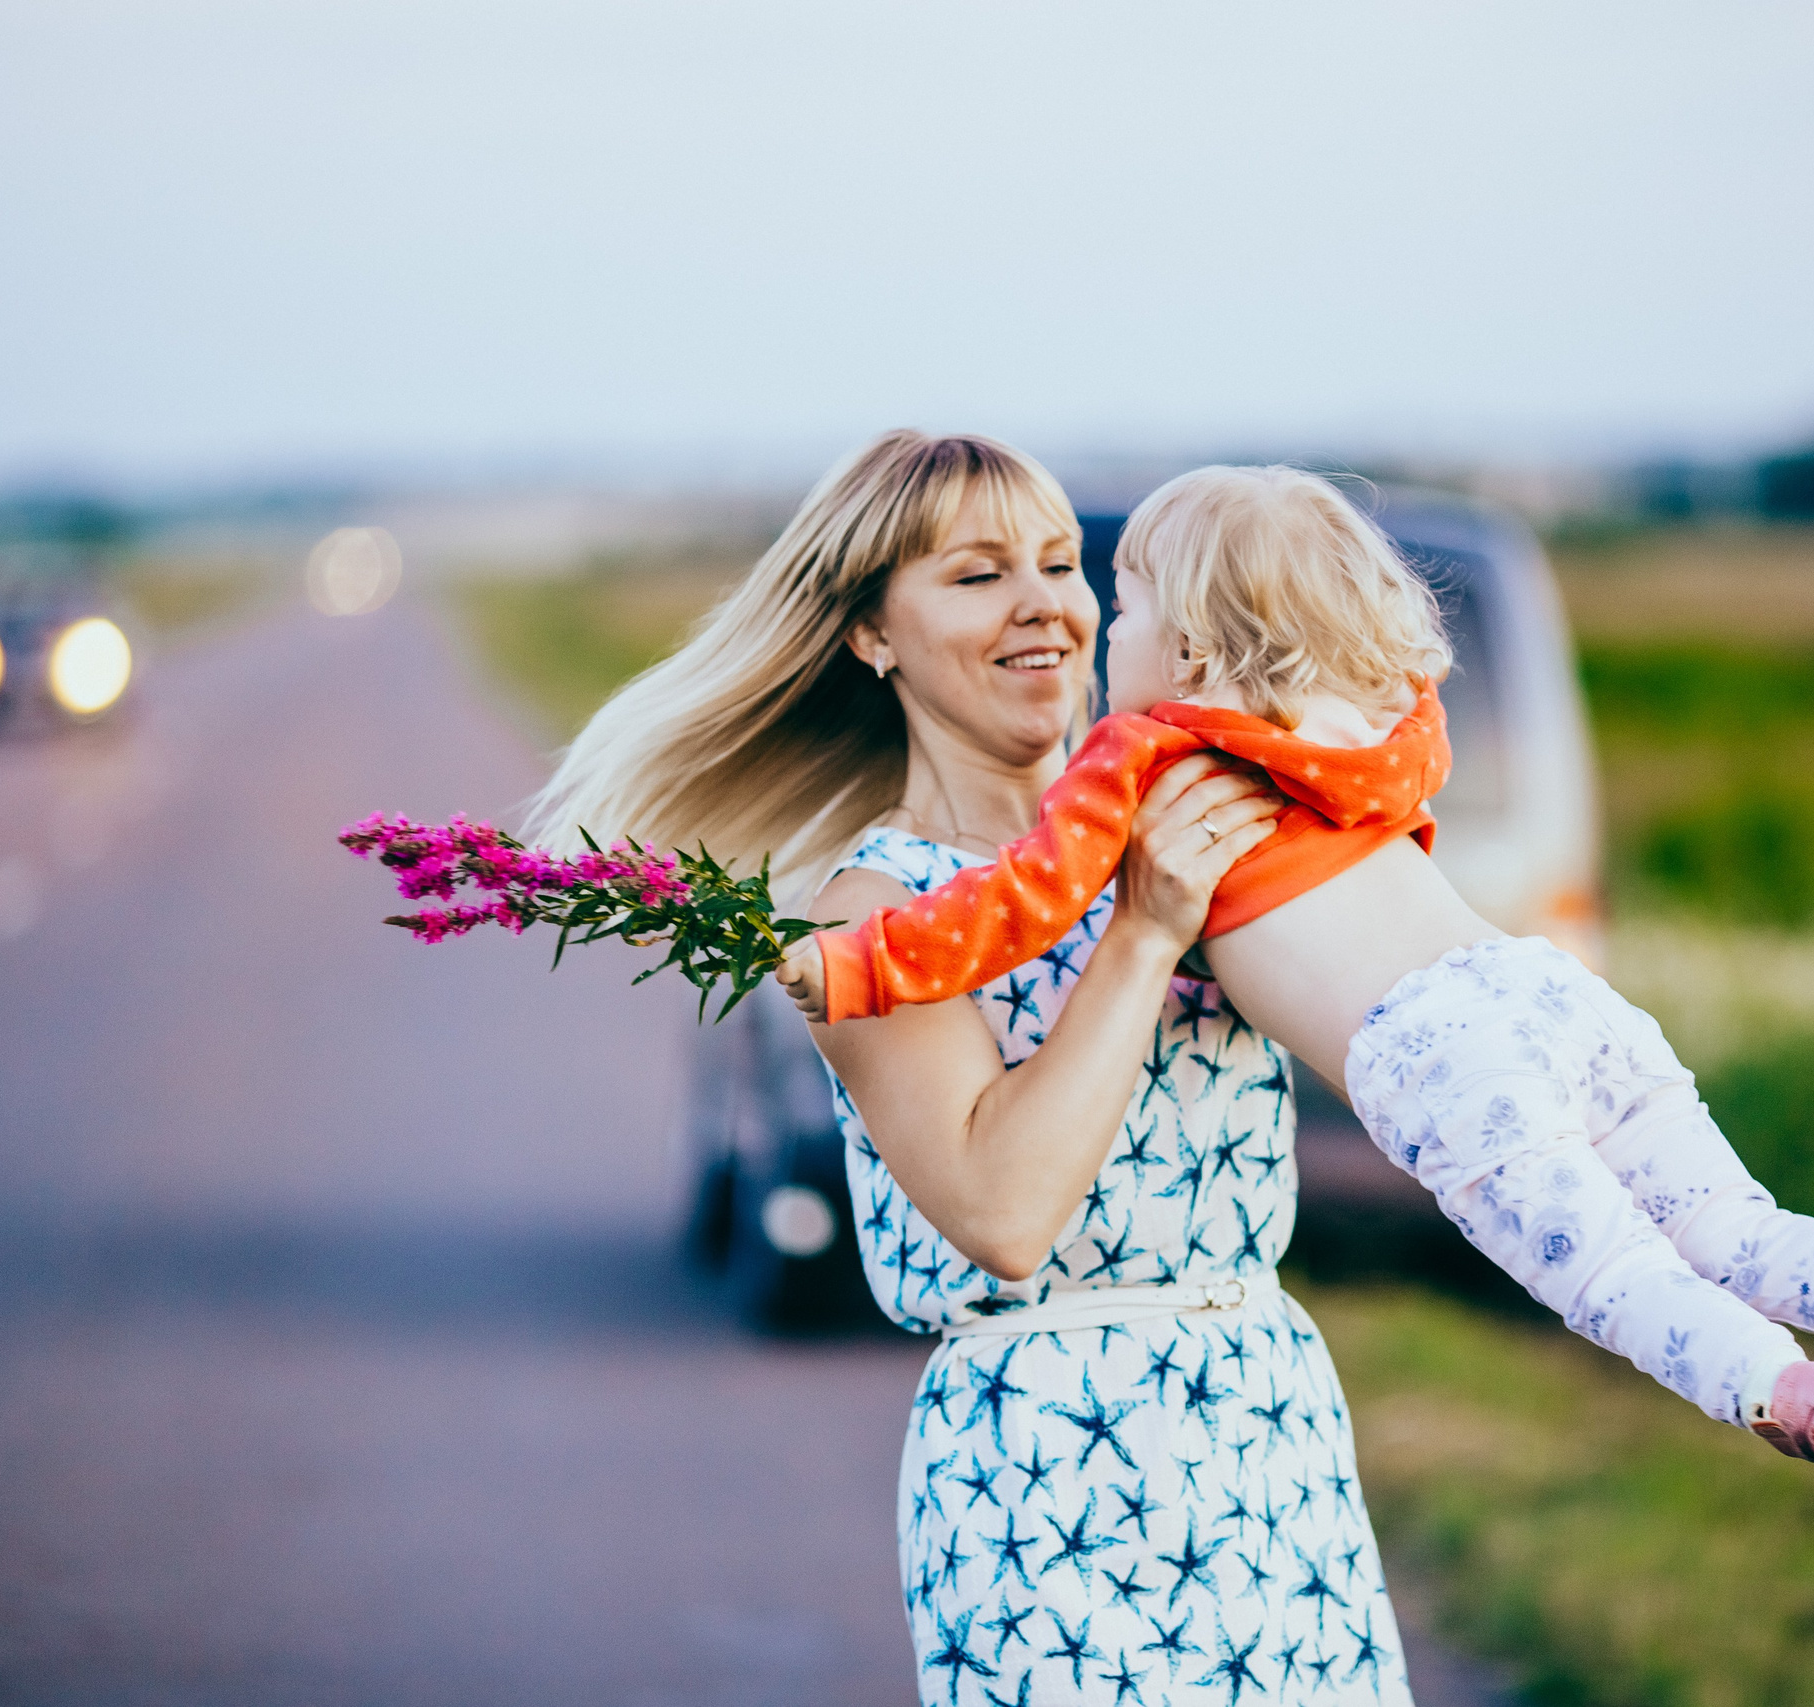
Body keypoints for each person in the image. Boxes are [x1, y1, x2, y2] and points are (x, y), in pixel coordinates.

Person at [780, 464, 1814, 1605]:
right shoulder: (1384, 732)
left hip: (1436, 1051)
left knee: (1617, 1274)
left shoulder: (1145, 763)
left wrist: (853, 964)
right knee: (1741, 1225)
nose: (1093, 629)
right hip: (1540, 985)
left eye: (1109, 591)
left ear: (1186, 652)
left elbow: (1007, 909)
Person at [530, 432, 1421, 1703]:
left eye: (1060, 563)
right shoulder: (869, 919)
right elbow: (1003, 1213)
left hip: (1265, 1416)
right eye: (976, 575)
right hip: (1046, 1464)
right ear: (870, 635)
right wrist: (1146, 935)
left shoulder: (1185, 816)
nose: (1043, 606)